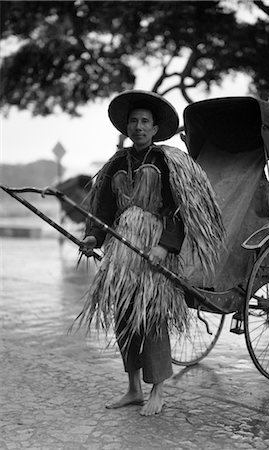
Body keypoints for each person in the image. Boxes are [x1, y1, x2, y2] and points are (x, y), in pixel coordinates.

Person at [78, 90, 225, 416]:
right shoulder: (117, 162)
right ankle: (133, 389)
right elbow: (103, 209)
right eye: (134, 121)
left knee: (152, 316)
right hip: (122, 251)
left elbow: (179, 210)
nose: (139, 127)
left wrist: (165, 246)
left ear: (156, 128)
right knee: (124, 316)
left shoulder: (167, 161)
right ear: (126, 127)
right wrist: (93, 237)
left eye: (145, 122)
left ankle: (157, 389)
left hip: (155, 249)